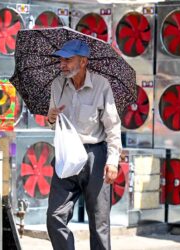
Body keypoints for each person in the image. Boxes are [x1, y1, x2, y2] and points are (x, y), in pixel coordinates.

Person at [46, 39, 121, 250]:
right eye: (61, 60)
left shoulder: (101, 86)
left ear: (83, 61)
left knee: (99, 223)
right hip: (65, 156)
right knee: (54, 216)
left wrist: (113, 161)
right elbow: (53, 124)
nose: (63, 64)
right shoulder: (57, 85)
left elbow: (113, 127)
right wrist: (50, 118)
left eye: (68, 60)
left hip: (94, 157)